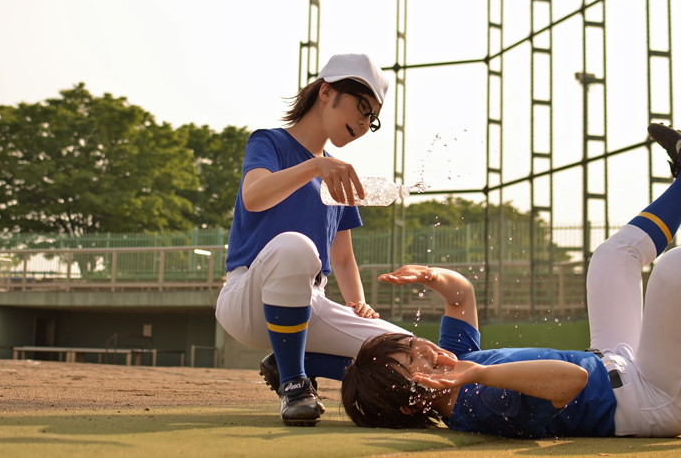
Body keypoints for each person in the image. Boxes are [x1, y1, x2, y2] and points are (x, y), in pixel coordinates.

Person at [341, 123, 681, 438]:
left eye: (414, 344)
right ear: (413, 403)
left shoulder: (455, 363)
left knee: (611, 258)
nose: (427, 350)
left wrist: (431, 276)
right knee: (671, 270)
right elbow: (572, 380)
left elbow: (460, 296)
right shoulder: (479, 404)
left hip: (617, 363)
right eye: (414, 363)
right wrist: (477, 373)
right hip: (652, 400)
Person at [215, 54, 431, 427]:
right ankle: (295, 384)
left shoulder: (336, 174)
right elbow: (254, 196)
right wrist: (315, 166)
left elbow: (343, 258)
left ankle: (294, 362)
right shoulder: (270, 143)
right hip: (247, 297)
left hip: (310, 302)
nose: (364, 123)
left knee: (410, 354)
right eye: (362, 108)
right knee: (295, 247)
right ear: (327, 91)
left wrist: (358, 304)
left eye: (372, 119)